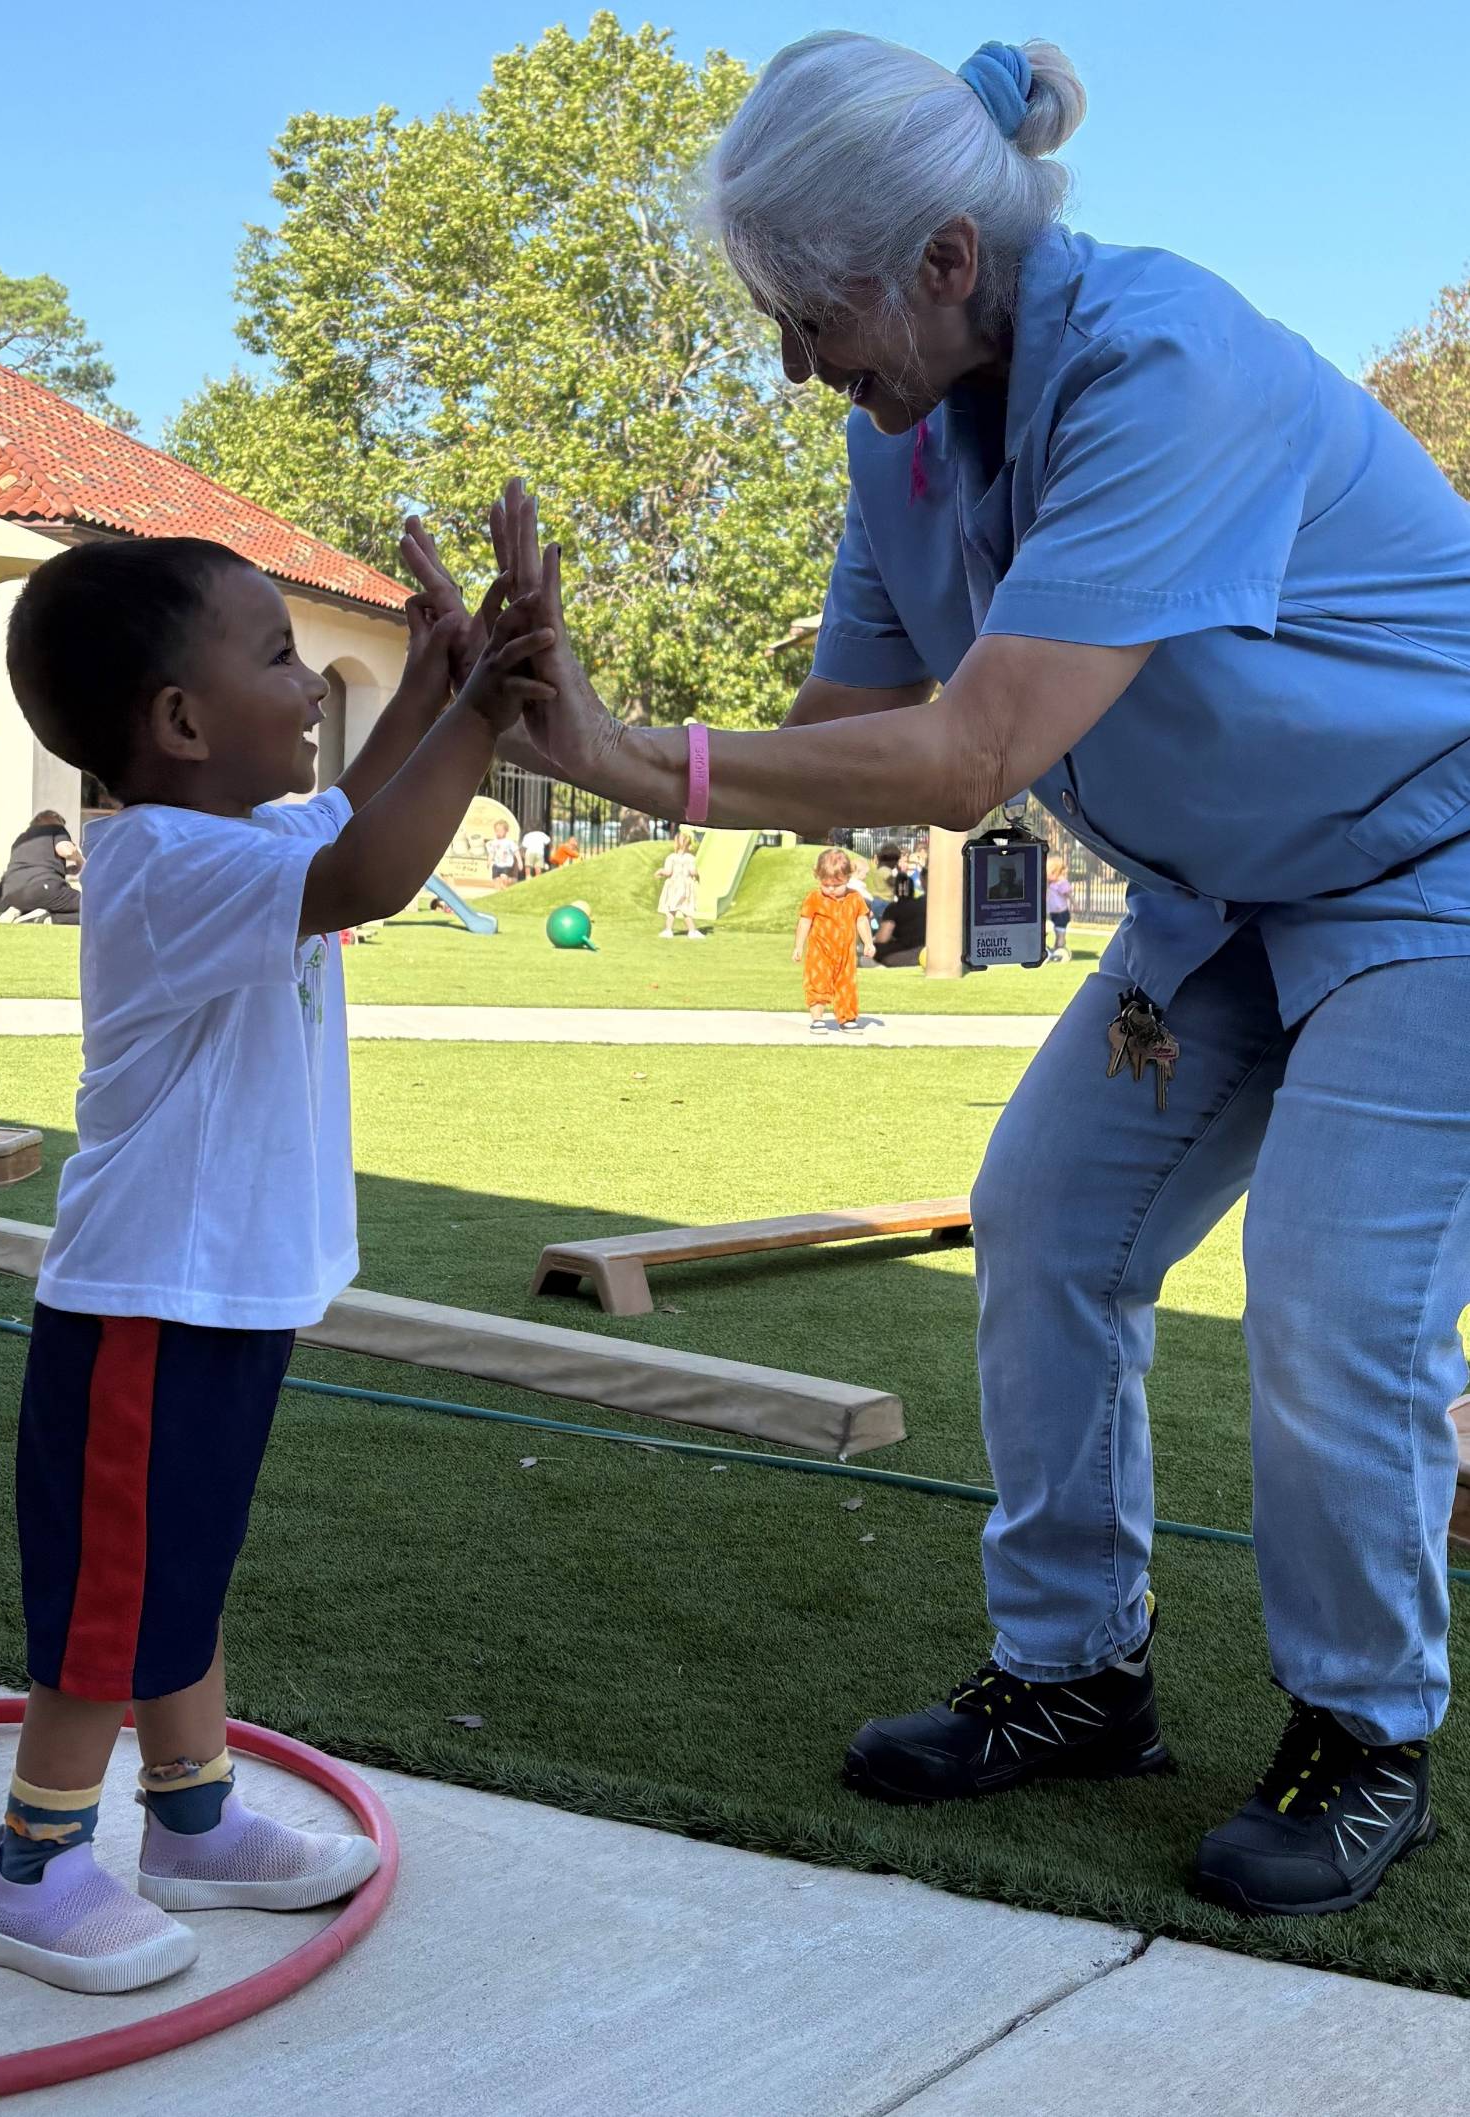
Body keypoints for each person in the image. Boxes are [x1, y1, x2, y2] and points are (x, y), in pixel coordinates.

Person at [424, 32, 1470, 1918]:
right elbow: (845, 740)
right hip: (1217, 902)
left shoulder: (1170, 362)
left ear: (943, 263)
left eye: (807, 311)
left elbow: (973, 754)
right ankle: (1074, 1676)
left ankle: (1366, 1724)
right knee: (1044, 1220)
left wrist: (618, 748)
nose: (793, 360)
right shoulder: (894, 437)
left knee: (1334, 1294)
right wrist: (534, 711)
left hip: (1432, 869)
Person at [0, 492, 553, 1994]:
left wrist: (437, 674)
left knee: (180, 1566)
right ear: (178, 720)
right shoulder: (167, 861)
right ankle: (34, 1866)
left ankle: (193, 1821)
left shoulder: (246, 831)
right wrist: (484, 706)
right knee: (116, 1596)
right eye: (286, 660)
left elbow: (353, 815)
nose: (311, 689)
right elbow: (369, 868)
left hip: (219, 1293)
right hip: (148, 1303)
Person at [794, 847, 874, 1032]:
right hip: (820, 952)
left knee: (847, 984)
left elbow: (861, 920)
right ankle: (817, 1018)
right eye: (825, 884)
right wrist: (798, 946)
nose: (830, 889)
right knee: (817, 982)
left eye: (836, 885)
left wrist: (868, 942)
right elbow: (805, 921)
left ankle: (847, 1018)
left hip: (846, 952)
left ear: (848, 878)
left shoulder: (855, 898)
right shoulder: (814, 898)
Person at [0, 810, 85, 925]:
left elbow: (31, 868)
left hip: (9, 894)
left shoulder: (20, 839)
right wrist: (79, 858)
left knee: (38, 899)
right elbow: (66, 851)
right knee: (95, 906)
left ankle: (19, 910)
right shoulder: (55, 829)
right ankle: (49, 919)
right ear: (55, 819)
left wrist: (64, 871)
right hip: (43, 888)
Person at [656, 829, 705, 939]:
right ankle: (692, 931)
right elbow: (693, 871)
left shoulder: (671, 857)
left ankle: (668, 930)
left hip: (673, 886)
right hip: (685, 886)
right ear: (689, 845)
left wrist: (660, 871)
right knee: (685, 909)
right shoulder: (690, 858)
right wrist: (697, 876)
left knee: (672, 909)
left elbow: (668, 872)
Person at [1046, 856, 1072, 961]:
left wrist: (1075, 906)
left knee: (1060, 933)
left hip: (1061, 913)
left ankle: (1060, 950)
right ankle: (1056, 949)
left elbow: (1069, 895)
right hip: (1054, 913)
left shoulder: (1061, 883)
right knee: (1056, 932)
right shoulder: (1050, 884)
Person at [487, 817, 524, 888]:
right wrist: (489, 861)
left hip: (506, 864)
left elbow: (516, 852)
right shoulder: (494, 842)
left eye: (501, 830)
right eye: (497, 830)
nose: (499, 832)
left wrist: (520, 862)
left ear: (506, 831)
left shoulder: (509, 842)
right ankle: (500, 889)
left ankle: (510, 882)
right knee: (496, 880)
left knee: (504, 879)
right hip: (496, 865)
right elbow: (492, 853)